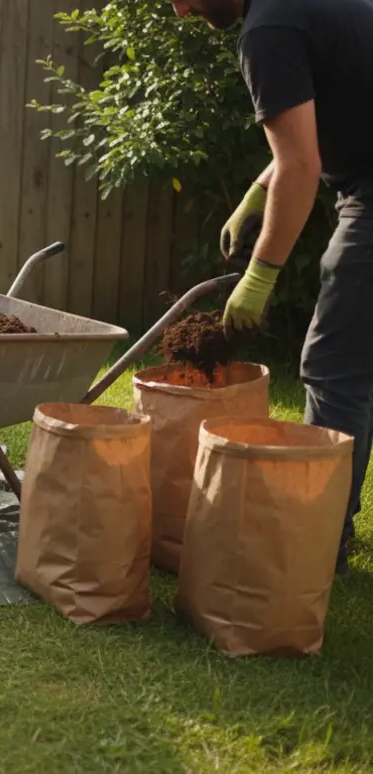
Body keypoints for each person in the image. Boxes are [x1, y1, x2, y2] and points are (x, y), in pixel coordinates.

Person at [170, 0, 373, 574]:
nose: (182, 11)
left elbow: (302, 165)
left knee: (336, 366)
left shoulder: (269, 30)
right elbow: (308, 131)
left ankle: (314, 541)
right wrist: (259, 191)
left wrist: (259, 277)